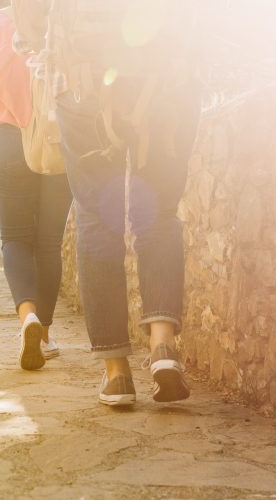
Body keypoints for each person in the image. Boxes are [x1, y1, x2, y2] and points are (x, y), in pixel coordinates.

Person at [33, 0, 202, 405]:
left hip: (83, 87)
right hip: (167, 82)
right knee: (160, 213)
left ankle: (117, 373)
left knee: (95, 218)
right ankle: (163, 349)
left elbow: (28, 24)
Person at [0, 5, 74, 371]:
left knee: (14, 238)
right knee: (48, 242)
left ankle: (27, 317)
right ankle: (44, 334)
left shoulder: (2, 21)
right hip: (57, 140)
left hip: (11, 140)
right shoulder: (66, 19)